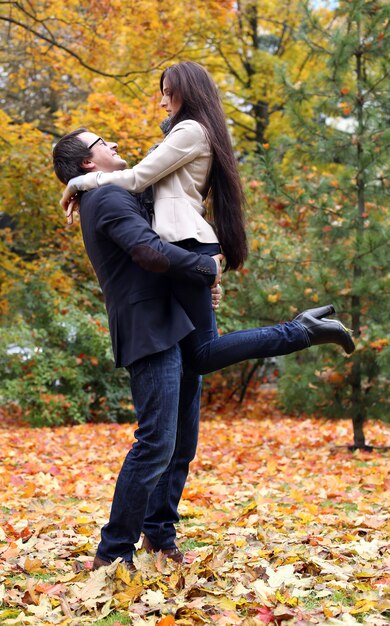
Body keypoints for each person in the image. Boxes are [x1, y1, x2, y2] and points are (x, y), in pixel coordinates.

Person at [60, 61, 355, 372]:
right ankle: (302, 330)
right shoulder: (189, 133)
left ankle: (301, 330)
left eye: (167, 94)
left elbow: (137, 179)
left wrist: (79, 182)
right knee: (194, 357)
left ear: (187, 93)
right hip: (186, 245)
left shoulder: (190, 130)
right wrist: (207, 271)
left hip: (185, 242)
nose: (162, 102)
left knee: (202, 354)